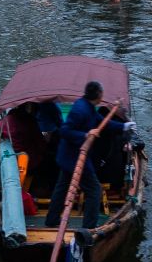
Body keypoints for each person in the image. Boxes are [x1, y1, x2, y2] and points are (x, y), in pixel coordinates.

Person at [45, 81, 129, 231]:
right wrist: (85, 134)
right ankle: (89, 228)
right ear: (98, 95)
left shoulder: (88, 107)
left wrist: (123, 126)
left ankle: (51, 220)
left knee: (62, 188)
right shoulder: (80, 110)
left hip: (69, 157)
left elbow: (101, 122)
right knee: (94, 190)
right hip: (75, 158)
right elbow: (65, 131)